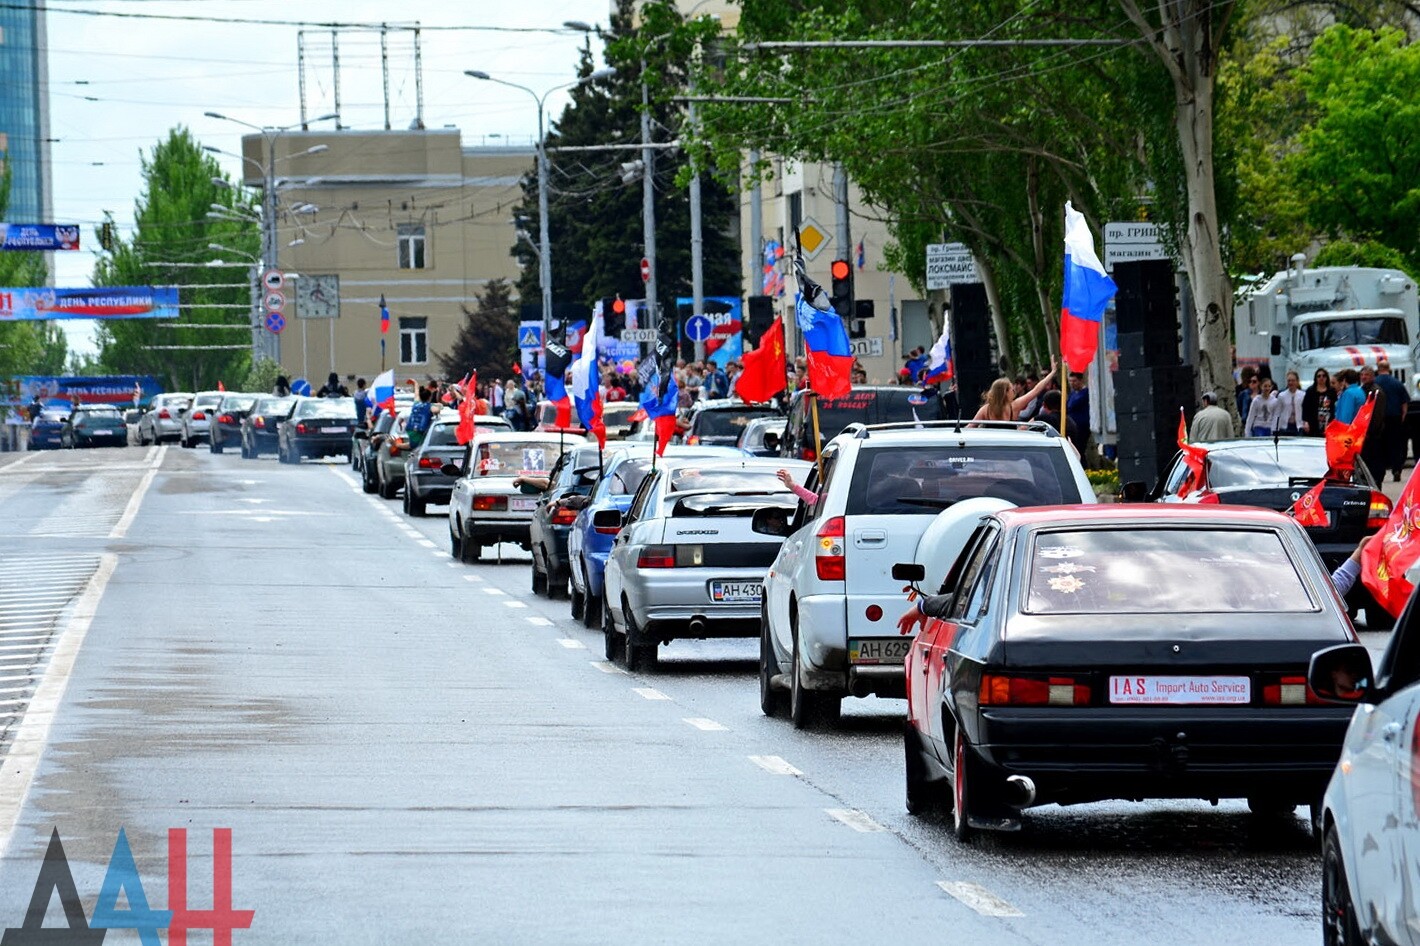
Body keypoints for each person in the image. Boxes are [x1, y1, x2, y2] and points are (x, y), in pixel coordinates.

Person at [896, 535, 1375, 637]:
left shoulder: (1067, 598)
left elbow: (982, 596)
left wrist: (928, 607)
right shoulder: (1262, 594)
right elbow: (1325, 596)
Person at [973, 362, 1057, 421]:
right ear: (1004, 393)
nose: (1014, 390)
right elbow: (1036, 390)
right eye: (1011, 389)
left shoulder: (985, 409)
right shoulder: (1015, 406)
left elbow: (970, 427)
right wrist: (1052, 372)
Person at [1375, 359, 1410, 481]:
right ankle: (1396, 469)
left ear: (1378, 369)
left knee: (1380, 445)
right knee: (1395, 445)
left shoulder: (1375, 383)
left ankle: (1381, 470)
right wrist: (1403, 416)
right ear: (1389, 368)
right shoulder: (1397, 383)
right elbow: (1404, 402)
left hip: (1379, 418)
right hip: (1394, 417)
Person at [1359, 365, 1388, 479]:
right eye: (1362, 375)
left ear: (1372, 376)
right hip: (1365, 433)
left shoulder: (1376, 392)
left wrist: (1370, 431)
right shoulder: (1362, 390)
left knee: (1375, 463)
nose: (1363, 377)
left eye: (1366, 375)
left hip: (1374, 435)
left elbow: (1377, 415)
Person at [1301, 367, 1334, 436]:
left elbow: (1334, 407)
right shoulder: (1310, 391)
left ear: (1327, 377)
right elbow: (1305, 407)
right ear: (1316, 378)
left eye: (1323, 376)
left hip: (1327, 423)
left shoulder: (1332, 391)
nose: (1321, 378)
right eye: (1319, 376)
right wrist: (1305, 422)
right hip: (1313, 422)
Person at [1065, 373, 1090, 452]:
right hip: (1072, 426)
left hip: (1082, 427)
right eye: (1070, 381)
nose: (1072, 383)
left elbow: (1072, 405)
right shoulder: (1072, 393)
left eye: (1074, 381)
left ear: (1080, 380)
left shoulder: (1085, 393)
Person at [1275, 370, 1305, 435]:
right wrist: (1275, 428)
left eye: (1293, 380)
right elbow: (1277, 413)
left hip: (1298, 426)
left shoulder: (1303, 395)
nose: (1291, 382)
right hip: (1285, 426)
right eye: (1289, 380)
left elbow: (1305, 411)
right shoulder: (1281, 395)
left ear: (1297, 381)